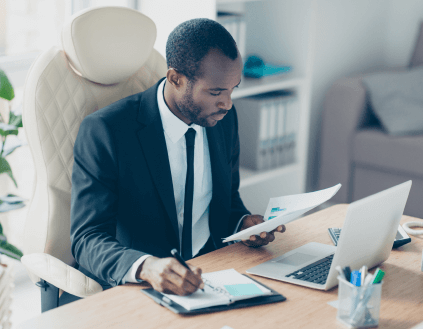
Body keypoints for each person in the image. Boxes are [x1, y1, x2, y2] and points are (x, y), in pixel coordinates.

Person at [70, 18, 286, 297]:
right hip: (139, 286)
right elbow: (87, 238)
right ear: (176, 79)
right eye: (216, 92)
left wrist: (243, 224)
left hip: (209, 274)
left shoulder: (223, 118)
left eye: (233, 89)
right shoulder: (105, 131)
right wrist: (146, 267)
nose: (228, 103)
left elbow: (228, 200)